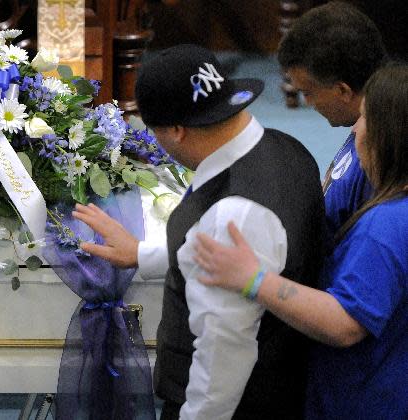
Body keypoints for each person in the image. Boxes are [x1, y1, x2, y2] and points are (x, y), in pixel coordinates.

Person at [72, 44, 325, 419]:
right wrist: (142, 254)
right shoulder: (284, 147)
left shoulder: (234, 216)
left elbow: (224, 354)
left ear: (175, 131)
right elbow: (214, 244)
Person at [193, 64, 408, 419]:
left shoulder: (384, 227)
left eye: (366, 118)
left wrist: (254, 279)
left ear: (389, 135)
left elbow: (344, 323)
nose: (355, 129)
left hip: (361, 404)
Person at [278, 1, 387, 244]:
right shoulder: (368, 123)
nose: (307, 102)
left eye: (308, 92)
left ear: (343, 90)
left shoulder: (377, 157)